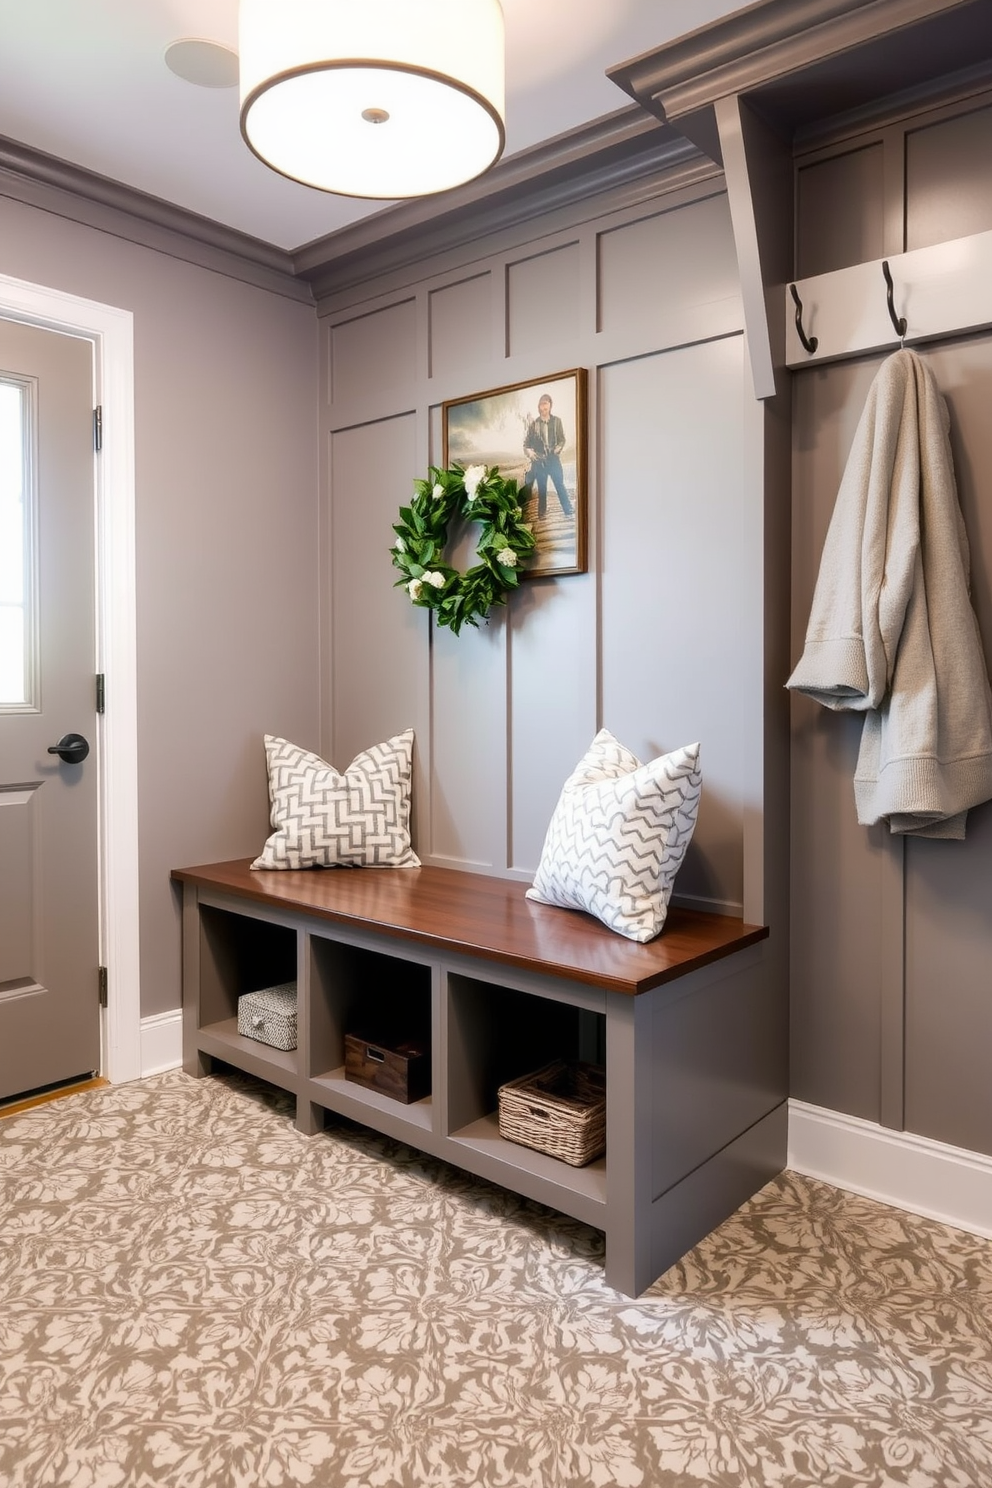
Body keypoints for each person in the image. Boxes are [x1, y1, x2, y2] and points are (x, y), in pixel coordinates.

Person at [522, 393, 573, 518]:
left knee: (559, 484)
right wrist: (529, 452)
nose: (543, 408)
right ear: (538, 407)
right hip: (539, 462)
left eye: (546, 404)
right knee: (542, 488)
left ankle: (568, 509)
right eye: (541, 405)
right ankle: (542, 513)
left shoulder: (557, 421)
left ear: (550, 406)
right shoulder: (534, 424)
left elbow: (562, 439)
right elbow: (526, 444)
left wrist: (559, 447)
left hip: (554, 459)